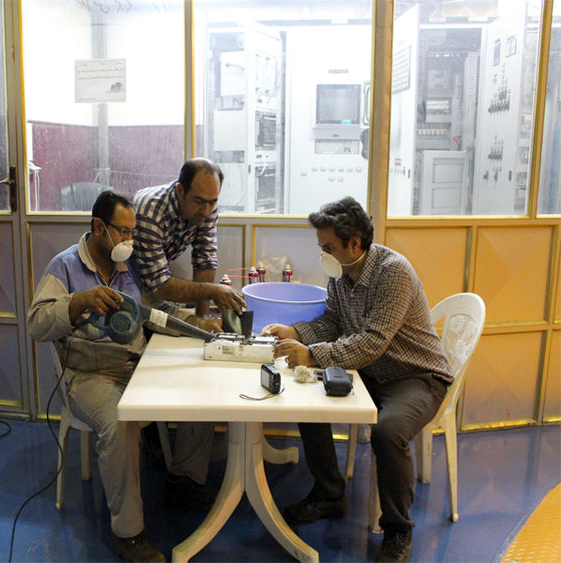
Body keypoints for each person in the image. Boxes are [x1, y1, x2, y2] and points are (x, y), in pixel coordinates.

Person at [27, 190, 216, 562]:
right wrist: (77, 302)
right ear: (100, 228)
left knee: (200, 387)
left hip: (135, 366)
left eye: (132, 232)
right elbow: (36, 323)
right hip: (89, 375)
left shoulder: (129, 267)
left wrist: (195, 323)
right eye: (123, 231)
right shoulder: (64, 267)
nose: (130, 240)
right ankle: (128, 534)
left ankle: (185, 480)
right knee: (119, 421)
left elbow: (154, 310)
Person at [262, 196, 452, 563]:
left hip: (415, 375)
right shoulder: (341, 273)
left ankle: (398, 530)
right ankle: (329, 494)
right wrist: (295, 332)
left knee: (388, 430)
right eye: (321, 247)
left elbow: (373, 342)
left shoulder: (393, 272)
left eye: (329, 248)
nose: (324, 255)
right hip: (370, 370)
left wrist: (311, 354)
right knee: (306, 395)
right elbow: (333, 322)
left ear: (355, 243)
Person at [132, 158, 246, 316]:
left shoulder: (206, 206)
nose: (206, 211)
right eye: (199, 201)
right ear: (180, 191)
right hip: (126, 279)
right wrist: (212, 291)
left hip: (154, 278)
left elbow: (205, 260)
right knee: (157, 321)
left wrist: (202, 319)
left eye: (212, 202)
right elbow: (159, 286)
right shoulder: (150, 213)